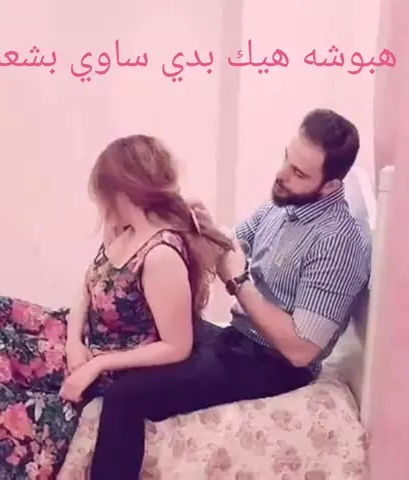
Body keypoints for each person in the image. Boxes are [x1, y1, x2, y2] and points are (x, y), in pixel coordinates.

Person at [86, 109, 372, 479]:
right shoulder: (285, 204)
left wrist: (238, 283)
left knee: (125, 397)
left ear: (330, 187)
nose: (282, 174)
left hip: (271, 366)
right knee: (141, 341)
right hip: (236, 338)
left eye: (299, 173)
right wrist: (202, 228)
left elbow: (301, 350)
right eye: (287, 158)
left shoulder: (338, 244)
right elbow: (230, 245)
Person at [0, 134, 233, 479]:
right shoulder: (122, 229)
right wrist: (73, 340)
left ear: (121, 191)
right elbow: (87, 288)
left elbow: (177, 346)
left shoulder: (161, 254)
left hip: (113, 357)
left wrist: (96, 364)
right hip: (81, 336)